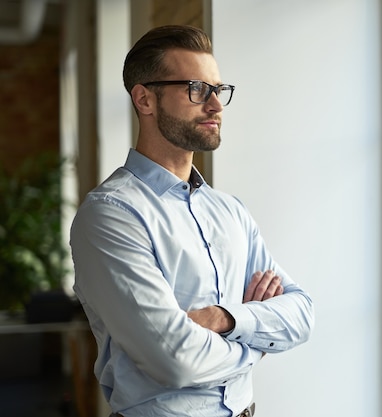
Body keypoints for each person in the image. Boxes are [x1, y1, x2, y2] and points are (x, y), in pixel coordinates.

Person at [70, 25, 314, 417]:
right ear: (145, 99)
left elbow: (301, 314)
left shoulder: (230, 210)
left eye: (219, 90)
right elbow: (175, 360)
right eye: (197, 89)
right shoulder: (110, 215)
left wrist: (226, 318)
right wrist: (258, 341)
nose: (216, 105)